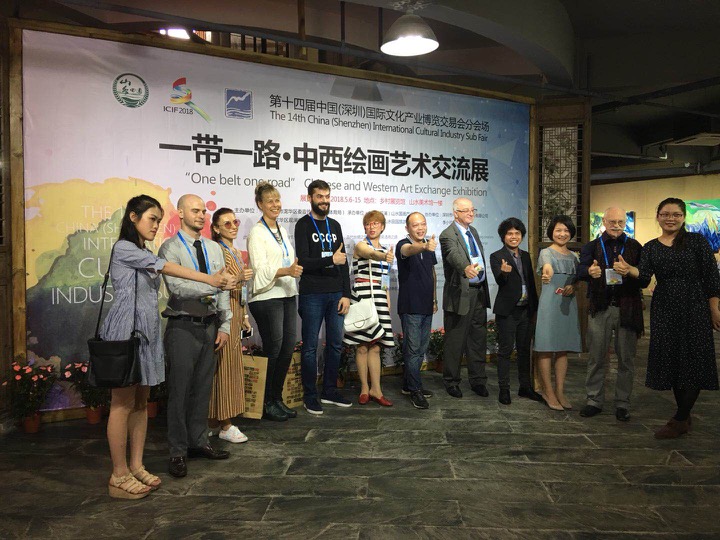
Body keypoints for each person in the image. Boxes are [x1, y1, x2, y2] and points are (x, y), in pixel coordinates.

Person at [102, 194, 232, 498]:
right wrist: (210, 280)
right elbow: (168, 269)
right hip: (126, 332)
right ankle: (118, 474)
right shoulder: (124, 248)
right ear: (133, 217)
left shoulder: (142, 250)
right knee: (122, 404)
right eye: (151, 219)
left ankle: (136, 466)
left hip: (146, 332)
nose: (156, 225)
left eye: (159, 220)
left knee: (140, 403)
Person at [615, 197, 720, 438]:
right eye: (665, 214)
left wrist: (714, 308)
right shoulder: (651, 247)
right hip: (664, 308)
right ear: (658, 217)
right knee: (674, 362)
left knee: (694, 360)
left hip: (695, 306)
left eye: (675, 214)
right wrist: (629, 270)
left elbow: (711, 277)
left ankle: (680, 418)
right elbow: (644, 276)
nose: (670, 219)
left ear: (683, 217)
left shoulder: (696, 241)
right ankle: (684, 415)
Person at [159, 194, 236, 479]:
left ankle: (199, 442)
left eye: (203, 211)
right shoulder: (169, 248)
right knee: (179, 392)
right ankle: (177, 451)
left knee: (203, 389)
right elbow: (177, 288)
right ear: (180, 213)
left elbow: (224, 286)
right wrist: (213, 285)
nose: (201, 215)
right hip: (182, 326)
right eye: (195, 210)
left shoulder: (214, 248)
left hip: (210, 325)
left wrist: (225, 325)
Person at [577, 207, 643, 422]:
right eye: (612, 221)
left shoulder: (635, 246)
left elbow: (644, 277)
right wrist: (590, 271)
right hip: (600, 307)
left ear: (625, 223)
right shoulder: (592, 246)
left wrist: (630, 270)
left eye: (621, 222)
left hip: (628, 308)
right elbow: (580, 270)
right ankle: (593, 401)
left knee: (626, 359)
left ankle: (623, 403)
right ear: (604, 222)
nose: (616, 226)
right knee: (596, 357)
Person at [295, 179, 352, 415]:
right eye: (320, 197)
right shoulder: (303, 225)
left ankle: (329, 390)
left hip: (336, 293)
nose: (324, 201)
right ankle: (310, 395)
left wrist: (346, 294)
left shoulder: (335, 225)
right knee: (310, 347)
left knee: (335, 345)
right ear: (310, 198)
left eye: (327, 197)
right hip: (312, 294)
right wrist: (330, 260)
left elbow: (343, 262)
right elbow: (303, 261)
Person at [247, 182, 303, 422]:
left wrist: (291, 271)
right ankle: (266, 402)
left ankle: (277, 398)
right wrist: (286, 271)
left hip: (287, 294)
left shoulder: (281, 230)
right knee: (274, 348)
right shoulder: (257, 232)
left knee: (288, 347)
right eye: (269, 201)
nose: (275, 205)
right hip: (267, 296)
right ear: (260, 204)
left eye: (277, 200)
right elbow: (259, 269)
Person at [207, 208, 254, 442]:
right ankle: (225, 424)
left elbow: (239, 289)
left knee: (229, 367)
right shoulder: (218, 251)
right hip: (224, 316)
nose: (233, 226)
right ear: (216, 229)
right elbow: (217, 284)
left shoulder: (234, 251)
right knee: (224, 368)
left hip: (236, 312)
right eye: (226, 224)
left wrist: (244, 315)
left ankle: (214, 421)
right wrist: (239, 278)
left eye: (234, 221)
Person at [439, 197, 491, 398]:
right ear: (455, 213)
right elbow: (453, 255)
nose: (471, 213)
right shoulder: (447, 234)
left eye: (472, 210)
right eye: (466, 210)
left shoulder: (473, 232)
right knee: (455, 341)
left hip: (479, 292)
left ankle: (478, 380)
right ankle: (451, 381)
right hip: (460, 294)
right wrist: (465, 267)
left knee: (477, 339)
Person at [489, 217, 543, 406]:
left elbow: (531, 283)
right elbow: (500, 281)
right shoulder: (496, 256)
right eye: (510, 233)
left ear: (522, 235)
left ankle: (525, 387)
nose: (514, 236)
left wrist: (535, 308)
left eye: (517, 233)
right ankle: (504, 389)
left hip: (526, 311)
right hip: (507, 312)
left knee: (524, 350)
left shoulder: (526, 256)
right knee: (505, 351)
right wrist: (503, 272)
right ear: (503, 237)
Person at [344, 210, 395, 407]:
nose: (371, 227)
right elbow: (370, 254)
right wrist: (383, 256)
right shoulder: (361, 245)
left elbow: (385, 279)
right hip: (362, 298)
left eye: (375, 223)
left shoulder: (386, 250)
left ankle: (377, 389)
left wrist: (387, 300)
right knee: (362, 346)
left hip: (379, 298)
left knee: (376, 346)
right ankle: (364, 388)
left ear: (382, 227)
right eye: (368, 224)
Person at [534, 215, 582, 411]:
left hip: (567, 305)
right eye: (558, 230)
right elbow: (546, 268)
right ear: (551, 232)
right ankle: (548, 391)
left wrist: (574, 286)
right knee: (546, 347)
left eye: (566, 230)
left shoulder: (575, 257)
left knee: (563, 349)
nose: (562, 234)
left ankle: (560, 391)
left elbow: (577, 280)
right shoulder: (546, 253)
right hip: (550, 305)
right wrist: (547, 273)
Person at [396, 212, 438, 409]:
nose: (420, 228)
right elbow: (408, 250)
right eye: (415, 225)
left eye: (423, 224)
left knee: (420, 349)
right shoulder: (403, 244)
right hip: (410, 306)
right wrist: (423, 246)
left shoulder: (429, 245)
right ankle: (415, 390)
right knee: (413, 351)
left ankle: (408, 384)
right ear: (407, 228)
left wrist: (434, 299)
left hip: (427, 305)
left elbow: (432, 273)